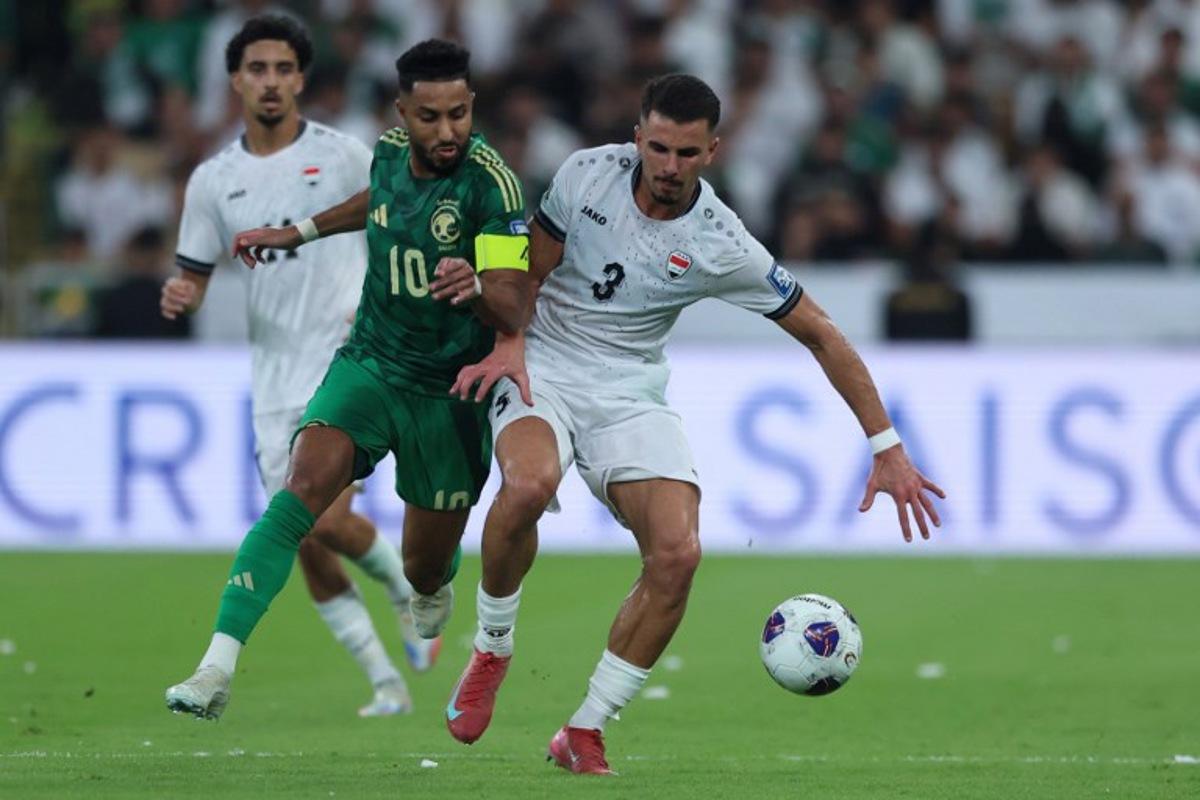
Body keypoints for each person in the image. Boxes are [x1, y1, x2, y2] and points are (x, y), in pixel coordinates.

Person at [437, 74, 945, 774]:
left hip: (629, 387)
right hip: (545, 361)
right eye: (657, 147)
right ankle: (492, 646)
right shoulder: (587, 174)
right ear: (639, 135)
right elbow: (531, 271)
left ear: (713, 150)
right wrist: (507, 340)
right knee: (527, 485)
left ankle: (583, 729)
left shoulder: (720, 241)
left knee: (678, 554)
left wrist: (886, 445)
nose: (668, 167)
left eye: (685, 152)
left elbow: (823, 333)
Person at [163, 32, 530, 720]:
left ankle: (423, 586)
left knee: (425, 565)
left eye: (459, 114)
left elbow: (514, 302)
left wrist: (477, 283)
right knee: (299, 496)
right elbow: (377, 205)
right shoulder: (389, 156)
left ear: (472, 104)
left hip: (446, 393)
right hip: (368, 360)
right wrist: (296, 231)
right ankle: (216, 666)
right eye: (430, 117)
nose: (447, 130)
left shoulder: (493, 185)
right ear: (401, 114)